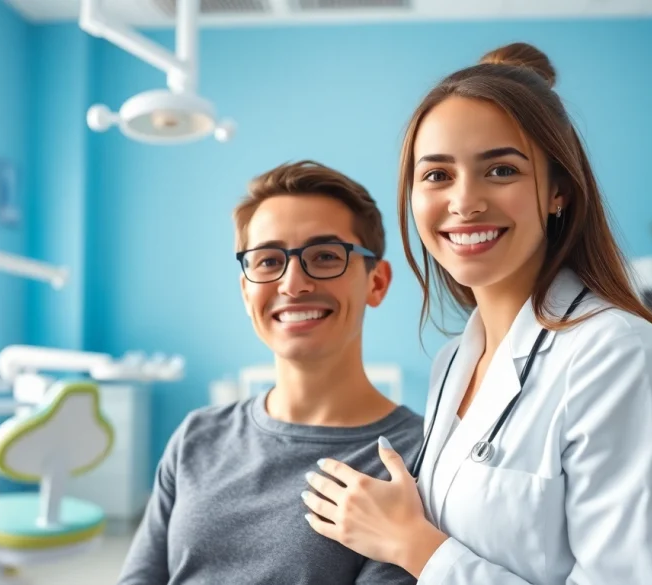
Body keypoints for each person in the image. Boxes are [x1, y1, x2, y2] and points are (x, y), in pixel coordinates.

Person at [300, 42, 652, 584]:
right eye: (436, 175)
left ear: (559, 192)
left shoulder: (623, 360)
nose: (464, 202)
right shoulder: (454, 362)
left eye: (500, 170)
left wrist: (416, 547)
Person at [115, 160, 423, 585]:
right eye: (267, 261)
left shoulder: (414, 459)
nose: (293, 284)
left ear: (377, 282)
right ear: (246, 291)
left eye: (326, 256)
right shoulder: (196, 437)